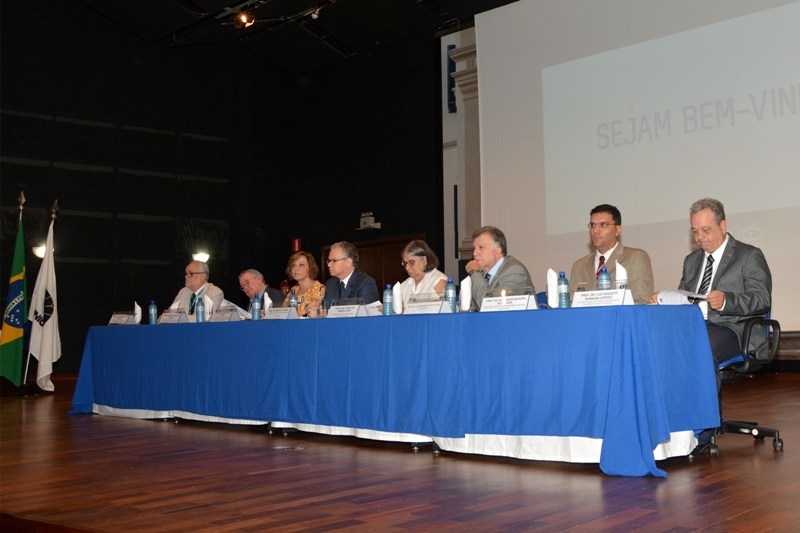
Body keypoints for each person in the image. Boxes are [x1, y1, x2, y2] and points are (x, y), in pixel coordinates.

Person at [649, 198, 772, 454]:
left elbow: (761, 299)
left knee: (700, 349)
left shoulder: (749, 255)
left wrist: (727, 300)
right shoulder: (692, 260)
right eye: (695, 232)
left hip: (735, 328)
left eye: (706, 230)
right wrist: (665, 300)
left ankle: (702, 431)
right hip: (696, 326)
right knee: (657, 347)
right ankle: (668, 426)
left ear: (723, 226)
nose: (700, 238)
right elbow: (686, 297)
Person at [569, 204, 654, 304]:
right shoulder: (579, 266)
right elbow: (570, 303)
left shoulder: (636, 258)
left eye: (603, 225)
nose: (595, 231)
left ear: (617, 230)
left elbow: (641, 300)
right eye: (592, 225)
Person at [465, 226, 534, 310]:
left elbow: (489, 306)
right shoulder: (481, 274)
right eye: (474, 248)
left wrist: (474, 273)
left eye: (481, 247)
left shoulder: (514, 271)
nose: (474, 253)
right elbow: (465, 306)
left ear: (497, 252)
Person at [323, 241, 380, 305]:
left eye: (334, 261)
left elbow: (369, 313)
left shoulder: (365, 283)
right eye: (329, 261)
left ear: (348, 262)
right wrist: (318, 311)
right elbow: (327, 310)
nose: (329, 265)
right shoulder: (331, 284)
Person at [399, 240, 448, 308]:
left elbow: (437, 312)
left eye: (411, 262)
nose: (407, 268)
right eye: (405, 263)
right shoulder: (404, 285)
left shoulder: (439, 281)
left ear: (424, 260)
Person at [283, 251, 326, 317]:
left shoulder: (319, 289)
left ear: (310, 268)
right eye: (293, 265)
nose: (296, 269)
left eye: (301, 265)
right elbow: (283, 312)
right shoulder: (293, 290)